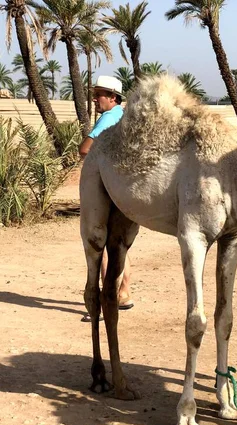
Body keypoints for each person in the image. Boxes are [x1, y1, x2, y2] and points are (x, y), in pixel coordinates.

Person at [79, 76, 133, 322]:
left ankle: (105, 299)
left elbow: (86, 149)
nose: (95, 98)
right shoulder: (125, 116)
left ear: (113, 98)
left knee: (98, 241)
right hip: (123, 187)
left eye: (99, 94)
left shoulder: (109, 118)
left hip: (105, 189)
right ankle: (124, 293)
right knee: (120, 242)